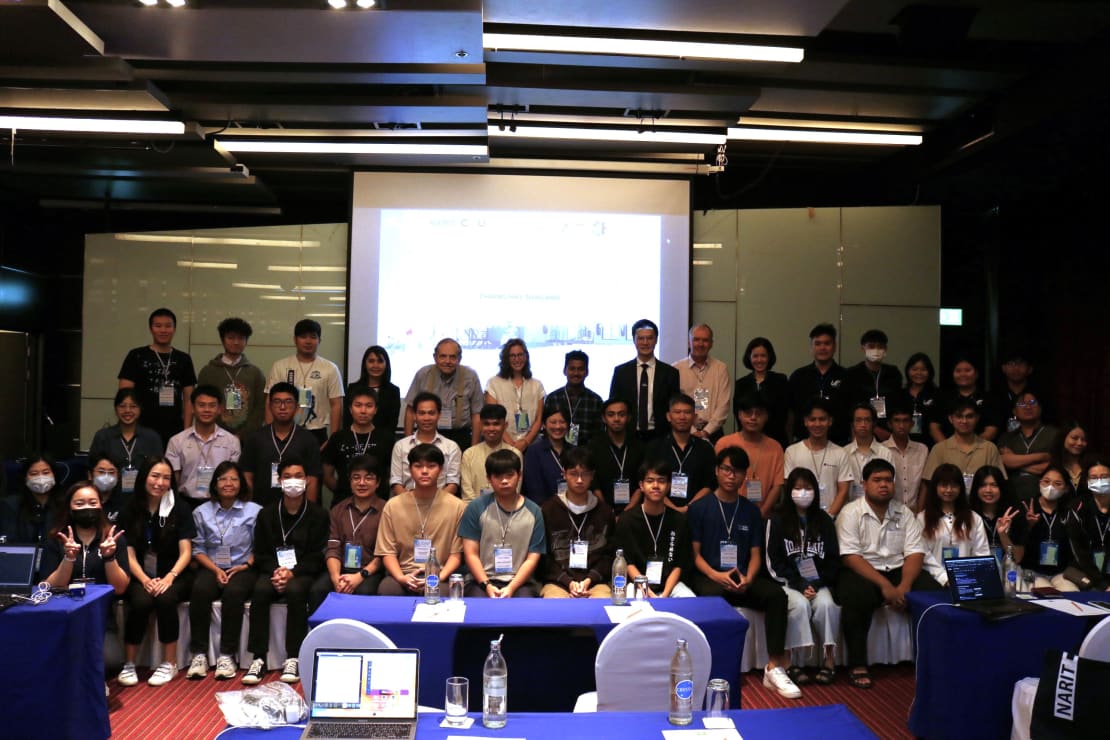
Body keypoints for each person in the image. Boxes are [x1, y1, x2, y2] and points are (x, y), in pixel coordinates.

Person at [687, 447, 800, 699]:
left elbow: (757, 552)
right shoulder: (700, 508)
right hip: (710, 577)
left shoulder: (751, 510)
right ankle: (713, 667)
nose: (731, 476)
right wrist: (717, 575)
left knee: (776, 596)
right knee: (711, 599)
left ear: (744, 476)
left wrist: (749, 577)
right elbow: (695, 555)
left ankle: (774, 667)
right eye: (726, 469)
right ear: (716, 471)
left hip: (743, 577)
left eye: (738, 471)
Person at [836, 459, 941, 689]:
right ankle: (857, 664)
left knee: (932, 594)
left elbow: (915, 553)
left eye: (887, 480)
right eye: (877, 480)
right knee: (856, 596)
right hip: (863, 570)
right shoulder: (850, 512)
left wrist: (904, 586)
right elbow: (850, 556)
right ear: (864, 484)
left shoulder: (904, 513)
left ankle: (933, 659)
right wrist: (885, 586)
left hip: (898, 570)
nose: (883, 485)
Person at [243, 458, 329, 685]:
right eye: (288, 476)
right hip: (272, 569)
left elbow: (317, 554)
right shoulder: (267, 514)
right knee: (260, 590)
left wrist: (293, 572)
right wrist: (277, 571)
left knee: (296, 591)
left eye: (299, 476)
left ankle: (294, 656)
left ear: (307, 480)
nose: (293, 481)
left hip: (302, 572)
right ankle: (258, 657)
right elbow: (260, 552)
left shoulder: (319, 514)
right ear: (279, 480)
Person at [118, 456, 195, 687]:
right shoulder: (130, 508)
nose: (160, 482)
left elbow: (186, 552)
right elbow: (128, 552)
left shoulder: (180, 508)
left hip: (175, 573)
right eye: (155, 476)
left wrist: (170, 577)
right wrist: (143, 579)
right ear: (144, 477)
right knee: (140, 602)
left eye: (166, 478)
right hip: (140, 574)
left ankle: (169, 663)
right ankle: (129, 663)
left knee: (165, 599)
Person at [765, 467, 841, 686]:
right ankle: (789, 663)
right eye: (797, 488)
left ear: (816, 491)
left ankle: (829, 661)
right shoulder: (776, 519)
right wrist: (798, 584)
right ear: (789, 491)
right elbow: (772, 561)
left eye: (808, 488)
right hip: (790, 582)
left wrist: (816, 584)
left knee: (827, 605)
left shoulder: (824, 520)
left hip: (818, 582)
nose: (803, 493)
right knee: (798, 605)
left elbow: (833, 559)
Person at [186, 461, 261, 681]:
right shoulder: (201, 512)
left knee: (234, 593)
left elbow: (261, 547)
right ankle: (199, 654)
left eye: (234, 479)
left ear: (241, 484)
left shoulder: (254, 511)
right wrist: (215, 569)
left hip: (243, 567)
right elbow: (197, 549)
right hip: (211, 566)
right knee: (199, 589)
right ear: (215, 483)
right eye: (223, 479)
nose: (228, 483)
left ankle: (227, 655)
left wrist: (245, 565)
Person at [375, 444, 466, 596]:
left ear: (441, 470)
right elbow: (387, 552)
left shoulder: (457, 506)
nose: (424, 471)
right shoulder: (393, 505)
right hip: (403, 573)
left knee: (441, 594)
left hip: (440, 575)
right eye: (418, 466)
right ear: (410, 470)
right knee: (387, 589)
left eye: (431, 466)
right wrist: (401, 577)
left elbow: (456, 555)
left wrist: (436, 578)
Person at [459, 449, 545, 598]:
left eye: (510, 475)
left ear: (519, 476)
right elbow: (471, 554)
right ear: (489, 479)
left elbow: (533, 558)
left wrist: (511, 587)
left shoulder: (534, 511)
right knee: (477, 605)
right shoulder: (476, 508)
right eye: (498, 476)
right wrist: (486, 585)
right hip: (481, 580)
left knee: (525, 605)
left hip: (520, 581)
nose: (504, 481)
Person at [310, 455, 388, 609]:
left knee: (365, 592)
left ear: (378, 482)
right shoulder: (338, 510)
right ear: (350, 481)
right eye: (356, 477)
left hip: (370, 571)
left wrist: (359, 576)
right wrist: (335, 578)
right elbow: (333, 548)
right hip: (341, 569)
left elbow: (384, 554)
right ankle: (322, 633)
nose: (362, 483)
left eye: (369, 478)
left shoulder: (386, 511)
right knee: (318, 590)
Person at [540, 447, 616, 598]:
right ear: (564, 474)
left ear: (592, 475)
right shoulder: (548, 510)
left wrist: (589, 579)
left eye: (585, 474)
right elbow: (544, 557)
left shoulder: (605, 511)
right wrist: (568, 582)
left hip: (595, 583)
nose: (579, 480)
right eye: (574, 474)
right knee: (554, 605)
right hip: (558, 582)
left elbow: (609, 556)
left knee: (603, 602)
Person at [612, 458, 695, 597]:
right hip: (637, 584)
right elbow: (628, 563)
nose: (656, 485)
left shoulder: (679, 520)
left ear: (668, 485)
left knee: (690, 600)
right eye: (650, 481)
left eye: (661, 481)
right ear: (641, 486)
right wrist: (647, 592)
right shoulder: (627, 520)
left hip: (671, 585)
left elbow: (679, 565)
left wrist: (665, 595)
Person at [117, 307, 197, 445]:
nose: (163, 330)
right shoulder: (136, 355)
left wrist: (186, 432)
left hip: (174, 430)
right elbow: (124, 395)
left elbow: (189, 399)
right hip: (140, 428)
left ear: (174, 329)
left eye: (168, 326)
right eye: (158, 326)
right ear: (151, 328)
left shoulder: (184, 359)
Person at [239, 382, 324, 507]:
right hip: (261, 508)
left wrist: (308, 514)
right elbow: (247, 475)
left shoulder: (308, 439)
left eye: (288, 402)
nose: (282, 407)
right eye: (277, 402)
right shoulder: (255, 438)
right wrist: (248, 509)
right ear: (270, 406)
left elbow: (312, 479)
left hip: (297, 508)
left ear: (297, 406)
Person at [265, 318, 345, 445]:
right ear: (295, 340)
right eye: (303, 337)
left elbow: (336, 405)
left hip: (317, 431)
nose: (308, 341)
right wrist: (269, 435)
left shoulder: (330, 368)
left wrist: (333, 440)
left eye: (313, 337)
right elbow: (270, 400)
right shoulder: (280, 366)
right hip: (285, 429)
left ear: (319, 340)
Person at [42, 481, 129, 595]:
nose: (87, 508)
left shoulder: (113, 539)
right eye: (79, 504)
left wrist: (109, 557)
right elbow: (48, 588)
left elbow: (119, 589)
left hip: (102, 605)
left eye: (93, 503)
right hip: (65, 605)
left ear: (101, 506)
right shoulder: (56, 539)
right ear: (69, 507)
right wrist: (68, 559)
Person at [165, 385, 242, 508]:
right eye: (201, 405)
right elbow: (173, 481)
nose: (207, 410)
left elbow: (234, 479)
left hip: (220, 503)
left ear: (220, 409)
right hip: (186, 503)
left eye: (212, 405)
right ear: (192, 408)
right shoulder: (177, 441)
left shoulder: (231, 442)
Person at [921, 397, 1005, 508]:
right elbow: (927, 485)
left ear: (977, 418)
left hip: (981, 510)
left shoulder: (989, 448)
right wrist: (920, 511)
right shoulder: (939, 449)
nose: (964, 421)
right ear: (951, 419)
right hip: (948, 511)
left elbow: (1000, 484)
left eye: (969, 416)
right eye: (959, 416)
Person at [402, 338, 484, 450]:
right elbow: (410, 410)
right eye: (443, 356)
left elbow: (477, 414)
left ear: (459, 359)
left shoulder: (470, 377)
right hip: (428, 435)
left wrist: (474, 449)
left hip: (460, 436)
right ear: (435, 357)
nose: (447, 361)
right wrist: (408, 443)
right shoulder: (423, 374)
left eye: (452, 357)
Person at [916, 463, 991, 586]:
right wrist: (944, 577)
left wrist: (969, 578)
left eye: (954, 485)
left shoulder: (974, 518)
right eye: (944, 485)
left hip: (967, 582)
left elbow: (982, 553)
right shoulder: (922, 518)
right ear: (935, 487)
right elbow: (923, 554)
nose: (949, 490)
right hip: (932, 582)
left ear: (961, 488)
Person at [609, 318, 681, 441]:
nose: (645, 342)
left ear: (656, 340)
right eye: (641, 338)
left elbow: (673, 406)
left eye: (649, 338)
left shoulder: (670, 373)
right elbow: (613, 404)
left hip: (660, 437)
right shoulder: (621, 372)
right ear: (634, 341)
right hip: (629, 436)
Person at [715, 393, 786, 517]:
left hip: (761, 515)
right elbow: (716, 480)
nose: (753, 417)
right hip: (726, 512)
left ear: (766, 416)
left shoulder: (775, 448)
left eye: (758, 413)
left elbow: (777, 485)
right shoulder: (724, 443)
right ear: (739, 415)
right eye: (748, 413)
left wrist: (762, 513)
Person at [195, 317, 267, 439]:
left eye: (241, 338)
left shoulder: (255, 373)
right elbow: (200, 405)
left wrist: (243, 434)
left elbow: (260, 407)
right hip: (214, 437)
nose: (236, 342)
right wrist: (221, 433)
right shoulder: (208, 371)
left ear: (246, 341)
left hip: (248, 438)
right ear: (223, 340)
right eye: (231, 337)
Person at [645, 393, 716, 512]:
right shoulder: (655, 447)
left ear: (694, 416)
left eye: (687, 412)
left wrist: (688, 507)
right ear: (668, 416)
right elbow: (649, 481)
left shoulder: (705, 448)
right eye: (677, 412)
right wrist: (672, 508)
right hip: (661, 509)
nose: (682, 417)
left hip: (697, 511)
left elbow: (709, 484)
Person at [323, 386, 394, 505]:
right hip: (343, 503)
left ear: (376, 409)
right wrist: (344, 490)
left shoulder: (387, 439)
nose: (363, 411)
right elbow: (326, 475)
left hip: (378, 504)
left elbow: (390, 476)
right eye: (358, 405)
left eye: (369, 406)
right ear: (350, 409)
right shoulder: (338, 438)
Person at [88, 388, 164, 498]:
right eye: (122, 406)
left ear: (140, 409)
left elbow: (160, 469)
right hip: (109, 497)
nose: (127, 410)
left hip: (143, 498)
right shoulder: (103, 436)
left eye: (133, 406)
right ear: (116, 409)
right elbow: (92, 470)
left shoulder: (152, 437)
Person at [783, 398, 852, 516]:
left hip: (832, 519)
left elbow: (843, 491)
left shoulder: (841, 453)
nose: (817, 424)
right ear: (805, 421)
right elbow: (789, 487)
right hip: (800, 519)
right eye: (812, 419)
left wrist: (829, 518)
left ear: (830, 421)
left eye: (822, 419)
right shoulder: (792, 451)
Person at [1018, 465, 1081, 592]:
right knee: (1045, 594)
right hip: (1032, 571)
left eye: (1057, 483)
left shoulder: (1069, 512)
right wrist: (1028, 526)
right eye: (1046, 481)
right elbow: (1017, 547)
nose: (1050, 487)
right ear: (1039, 483)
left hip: (1061, 572)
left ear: (1066, 489)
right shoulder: (1026, 507)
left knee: (1072, 594)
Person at [389, 391, 462, 495]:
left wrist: (435, 504)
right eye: (422, 413)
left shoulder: (451, 447)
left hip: (440, 504)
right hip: (406, 503)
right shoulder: (401, 446)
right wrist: (410, 503)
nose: (426, 418)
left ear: (439, 415)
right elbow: (396, 481)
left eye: (431, 413)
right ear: (414, 415)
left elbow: (453, 483)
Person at [788, 323, 849, 445]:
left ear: (835, 346)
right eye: (818, 344)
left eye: (827, 343)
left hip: (839, 442)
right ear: (811, 347)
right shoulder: (798, 376)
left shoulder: (846, 376)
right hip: (804, 442)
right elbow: (790, 414)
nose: (822, 348)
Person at [672, 324, 731, 444]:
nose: (700, 344)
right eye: (696, 340)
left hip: (713, 433)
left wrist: (706, 431)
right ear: (689, 343)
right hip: (684, 432)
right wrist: (692, 431)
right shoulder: (676, 369)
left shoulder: (721, 368)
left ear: (711, 344)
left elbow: (723, 405)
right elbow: (673, 403)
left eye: (705, 340)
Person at [485, 338, 545, 452]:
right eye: (512, 356)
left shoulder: (537, 385)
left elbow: (539, 419)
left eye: (520, 355)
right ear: (506, 359)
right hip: (502, 445)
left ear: (526, 356)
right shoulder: (493, 383)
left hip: (531, 445)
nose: (517, 359)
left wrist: (525, 442)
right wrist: (512, 444)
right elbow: (494, 418)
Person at [843, 329, 903, 442]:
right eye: (871, 346)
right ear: (863, 348)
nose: (876, 350)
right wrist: (874, 429)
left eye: (880, 346)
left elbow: (897, 403)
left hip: (889, 432)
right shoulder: (851, 374)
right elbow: (849, 407)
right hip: (860, 429)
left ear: (885, 349)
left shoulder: (893, 373)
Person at [998, 391, 1058, 501]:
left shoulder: (1053, 434)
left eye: (1032, 402)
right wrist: (1042, 456)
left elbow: (1050, 466)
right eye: (1022, 404)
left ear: (1040, 408)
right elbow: (1004, 461)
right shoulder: (1006, 437)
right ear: (1014, 411)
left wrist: (1015, 462)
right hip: (1012, 494)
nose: (1028, 407)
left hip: (1044, 495)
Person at [587, 398, 644, 515]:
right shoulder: (593, 446)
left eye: (621, 414)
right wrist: (607, 511)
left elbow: (641, 483)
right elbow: (594, 483)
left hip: (634, 511)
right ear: (604, 418)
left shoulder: (640, 446)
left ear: (629, 417)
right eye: (611, 415)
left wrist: (627, 513)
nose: (616, 419)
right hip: (600, 510)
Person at [733, 337, 791, 448]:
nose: (759, 360)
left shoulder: (780, 380)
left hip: (775, 439)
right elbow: (737, 413)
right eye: (755, 356)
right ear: (749, 357)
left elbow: (783, 414)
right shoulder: (741, 383)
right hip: (747, 440)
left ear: (769, 357)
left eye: (763, 356)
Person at [460, 404, 522, 501]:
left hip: (507, 510)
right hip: (475, 512)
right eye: (486, 424)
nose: (491, 429)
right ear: (480, 425)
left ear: (505, 425)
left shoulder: (515, 453)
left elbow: (515, 490)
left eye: (496, 424)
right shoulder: (469, 454)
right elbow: (467, 494)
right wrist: (477, 512)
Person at [543, 350, 604, 448]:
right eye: (572, 369)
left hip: (586, 455)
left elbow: (598, 435)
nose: (576, 373)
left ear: (587, 372)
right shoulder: (553, 398)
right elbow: (546, 432)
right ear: (564, 370)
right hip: (556, 453)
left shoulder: (596, 401)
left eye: (580, 369)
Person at [929, 356, 997, 443]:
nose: (963, 374)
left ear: (976, 374)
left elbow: (991, 429)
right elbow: (934, 427)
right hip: (948, 451)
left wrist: (972, 448)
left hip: (979, 450)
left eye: (967, 370)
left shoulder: (989, 398)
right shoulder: (943, 398)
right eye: (958, 371)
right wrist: (947, 448)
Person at [969, 465, 1027, 564]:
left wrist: (1003, 534)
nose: (988, 490)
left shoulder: (1013, 514)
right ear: (976, 489)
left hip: (1009, 570)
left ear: (1002, 488)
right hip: (978, 568)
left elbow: (1017, 558)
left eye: (994, 485)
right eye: (983, 485)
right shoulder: (969, 515)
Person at [1068, 459, 1110, 591]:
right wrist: (1103, 585)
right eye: (1094, 477)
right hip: (1086, 574)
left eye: (1104, 477)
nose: (1099, 481)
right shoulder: (1077, 507)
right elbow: (1079, 551)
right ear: (1087, 481)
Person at [2, 454, 61, 545]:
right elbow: (9, 541)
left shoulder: (65, 503)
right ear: (25, 477)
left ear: (54, 474)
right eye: (34, 474)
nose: (41, 478)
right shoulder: (10, 505)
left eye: (46, 472)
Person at [346, 345, 401, 436]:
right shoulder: (353, 388)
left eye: (380, 361)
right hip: (354, 439)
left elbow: (392, 424)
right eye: (371, 361)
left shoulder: (393, 391)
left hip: (383, 442)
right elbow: (347, 420)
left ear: (386, 364)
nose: (375, 365)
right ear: (365, 364)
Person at [844, 403, 894, 502]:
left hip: (879, 507)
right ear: (852, 424)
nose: (863, 425)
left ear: (874, 424)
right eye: (858, 420)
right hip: (849, 510)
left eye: (867, 420)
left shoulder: (885, 453)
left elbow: (890, 485)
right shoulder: (843, 453)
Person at [882, 404, 929, 510]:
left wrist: (920, 512)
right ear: (890, 424)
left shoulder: (922, 450)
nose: (901, 425)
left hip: (916, 511)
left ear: (912, 423)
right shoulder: (881, 450)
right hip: (888, 511)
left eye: (905, 421)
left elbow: (924, 484)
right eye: (897, 421)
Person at [987, 351, 1043, 436]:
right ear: (1003, 368)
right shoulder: (994, 396)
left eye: (1021, 364)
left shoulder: (1039, 394)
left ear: (1030, 369)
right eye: (1011, 364)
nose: (1016, 368)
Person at [895, 353, 939, 447]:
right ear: (908, 371)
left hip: (930, 444)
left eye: (923, 369)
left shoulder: (937, 394)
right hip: (904, 444)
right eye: (914, 369)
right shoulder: (900, 394)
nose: (919, 373)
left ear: (929, 372)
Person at [1052, 420, 1090, 493]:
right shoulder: (1054, 464)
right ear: (1063, 438)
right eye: (1074, 438)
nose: (1079, 443)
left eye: (1083, 439)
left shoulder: (1092, 465)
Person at [87, 454, 126, 523]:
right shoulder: (82, 500)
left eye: (111, 472)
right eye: (101, 472)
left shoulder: (125, 504)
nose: (106, 476)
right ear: (90, 475)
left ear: (118, 477)